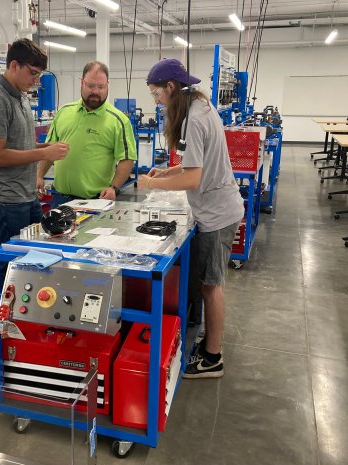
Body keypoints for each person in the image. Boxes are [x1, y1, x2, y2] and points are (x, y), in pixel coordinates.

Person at [140, 58, 244, 379]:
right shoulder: (202, 108)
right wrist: (167, 170)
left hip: (217, 214)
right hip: (218, 208)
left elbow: (193, 179)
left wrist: (152, 183)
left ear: (171, 87)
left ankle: (213, 357)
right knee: (207, 283)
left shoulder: (191, 121)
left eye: (157, 93)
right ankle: (208, 344)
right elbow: (192, 166)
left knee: (212, 286)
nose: (157, 101)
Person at [0, 39, 69, 245]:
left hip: (26, 195)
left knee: (35, 253)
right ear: (13, 66)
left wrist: (47, 147)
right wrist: (44, 154)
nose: (36, 80)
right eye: (33, 73)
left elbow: (19, 146)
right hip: (6, 199)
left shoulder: (21, 97)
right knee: (12, 260)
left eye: (39, 74)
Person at [37, 61, 137, 207]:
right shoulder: (64, 112)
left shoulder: (119, 120)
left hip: (95, 201)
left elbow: (127, 159)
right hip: (59, 198)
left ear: (108, 85)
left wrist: (113, 187)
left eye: (101, 87)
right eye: (90, 86)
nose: (95, 91)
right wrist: (39, 175)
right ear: (81, 83)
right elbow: (49, 150)